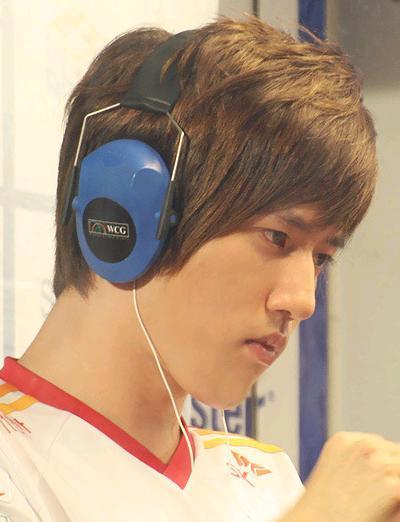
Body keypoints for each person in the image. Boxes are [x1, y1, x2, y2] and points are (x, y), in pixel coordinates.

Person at [0, 15, 399, 522]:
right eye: (278, 238)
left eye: (320, 257)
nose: (303, 300)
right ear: (126, 215)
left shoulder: (265, 482)